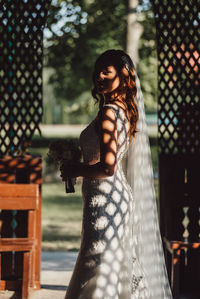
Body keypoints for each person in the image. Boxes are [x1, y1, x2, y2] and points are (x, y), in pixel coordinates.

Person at [60, 49, 173, 299]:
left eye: (106, 71)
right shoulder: (123, 109)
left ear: (123, 76)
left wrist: (75, 168)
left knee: (98, 263)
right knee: (110, 261)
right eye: (97, 70)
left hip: (105, 198)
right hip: (115, 196)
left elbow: (107, 167)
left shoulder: (110, 111)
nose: (98, 76)